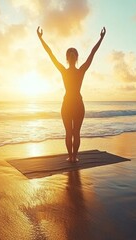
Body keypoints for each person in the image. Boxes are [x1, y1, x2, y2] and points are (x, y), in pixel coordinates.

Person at [37, 26, 106, 163]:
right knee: (69, 132)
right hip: (67, 104)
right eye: (71, 53)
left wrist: (101, 38)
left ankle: (75, 156)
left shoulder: (81, 71)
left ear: (77, 57)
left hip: (78, 104)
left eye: (75, 52)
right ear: (68, 57)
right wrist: (41, 38)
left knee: (76, 133)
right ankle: (71, 156)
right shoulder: (63, 70)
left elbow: (92, 53)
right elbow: (50, 54)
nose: (73, 54)